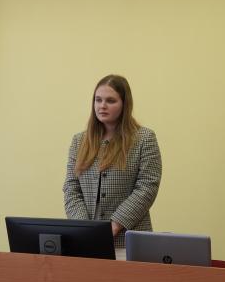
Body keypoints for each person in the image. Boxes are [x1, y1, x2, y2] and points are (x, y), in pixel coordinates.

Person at [63, 74, 162, 249]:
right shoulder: (79, 141)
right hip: (87, 241)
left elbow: (147, 187)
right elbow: (71, 188)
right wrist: (85, 229)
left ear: (125, 104)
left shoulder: (144, 138)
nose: (102, 106)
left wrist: (114, 226)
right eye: (98, 100)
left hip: (130, 240)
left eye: (110, 101)